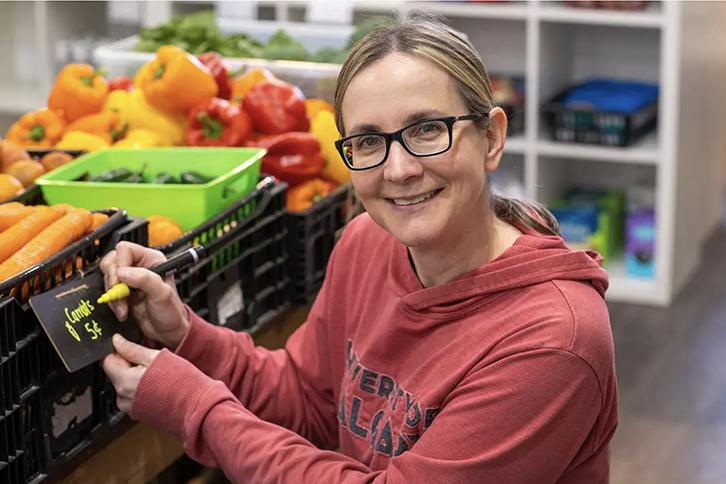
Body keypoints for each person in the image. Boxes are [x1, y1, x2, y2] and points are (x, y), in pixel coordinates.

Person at [101, 11, 617, 483]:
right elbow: (308, 401)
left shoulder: (552, 340)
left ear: (492, 138)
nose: (399, 170)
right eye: (369, 141)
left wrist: (199, 409)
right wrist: (187, 333)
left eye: (428, 129)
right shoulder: (367, 241)